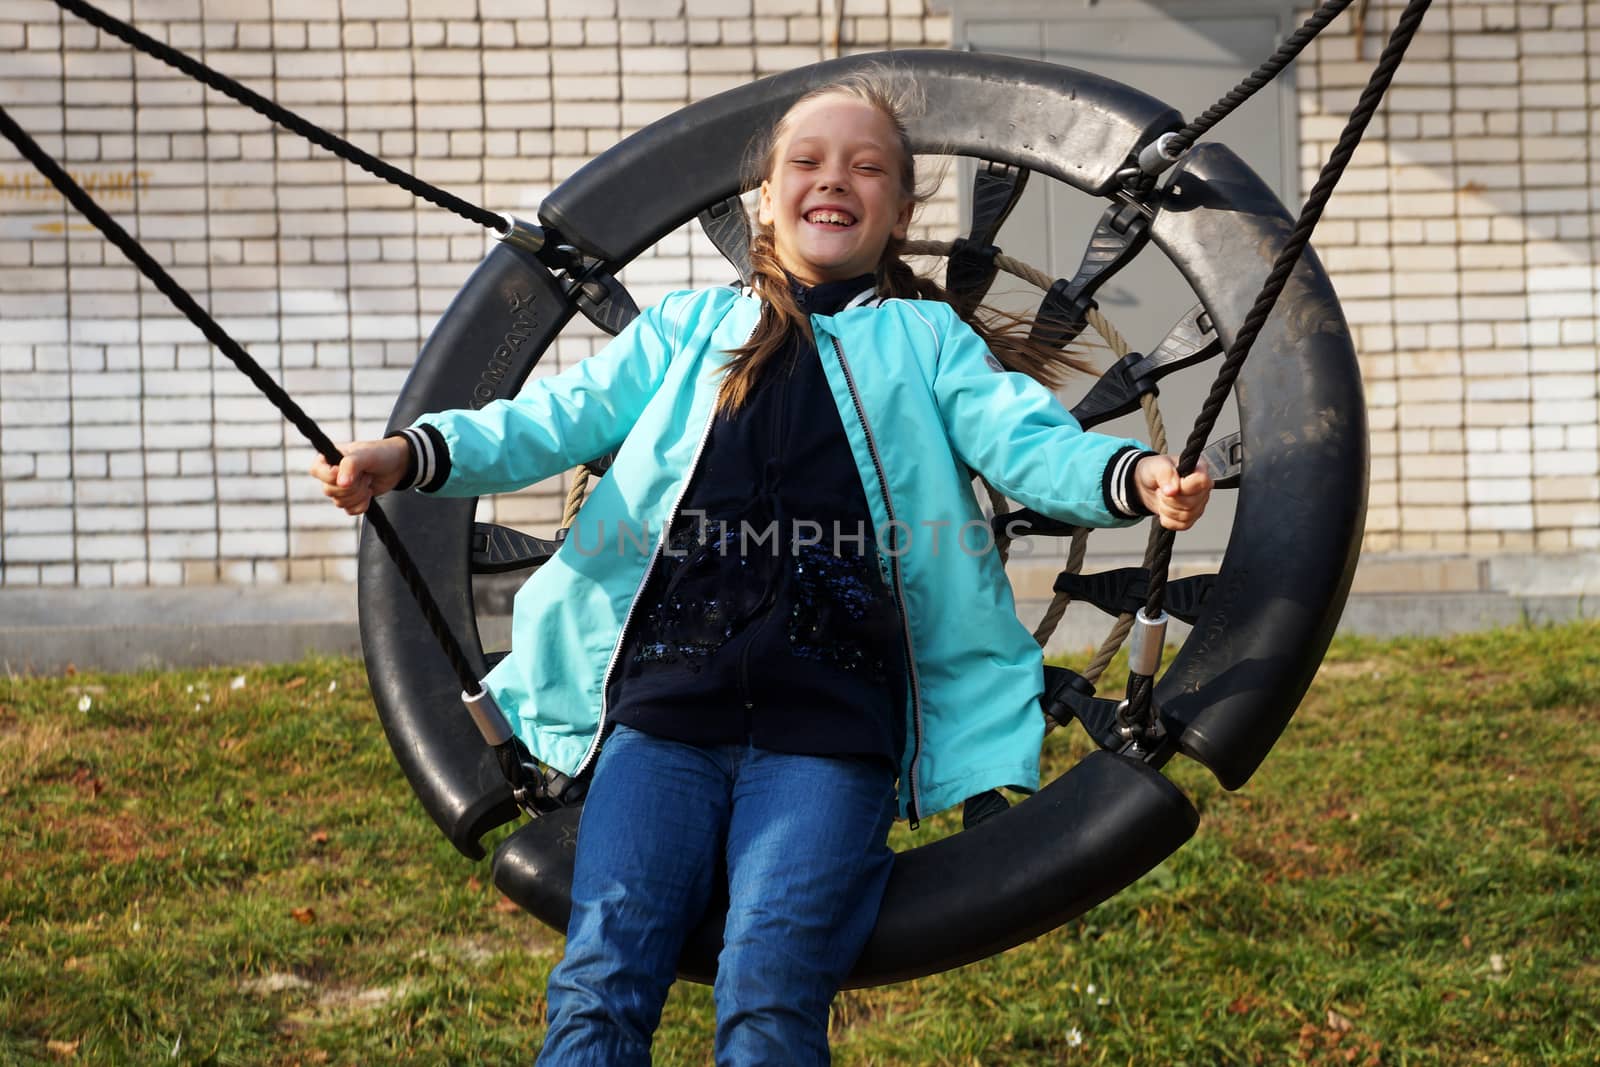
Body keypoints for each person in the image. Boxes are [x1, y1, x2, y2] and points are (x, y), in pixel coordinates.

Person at [311, 68, 1212, 1066]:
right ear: (764, 201)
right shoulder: (685, 330)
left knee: (769, 988)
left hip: (829, 730)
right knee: (601, 979)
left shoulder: (925, 339)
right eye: (808, 160)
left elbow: (1026, 440)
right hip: (661, 718)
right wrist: (410, 453)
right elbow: (547, 422)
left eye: (867, 167)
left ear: (899, 211)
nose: (835, 179)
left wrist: (1131, 476)